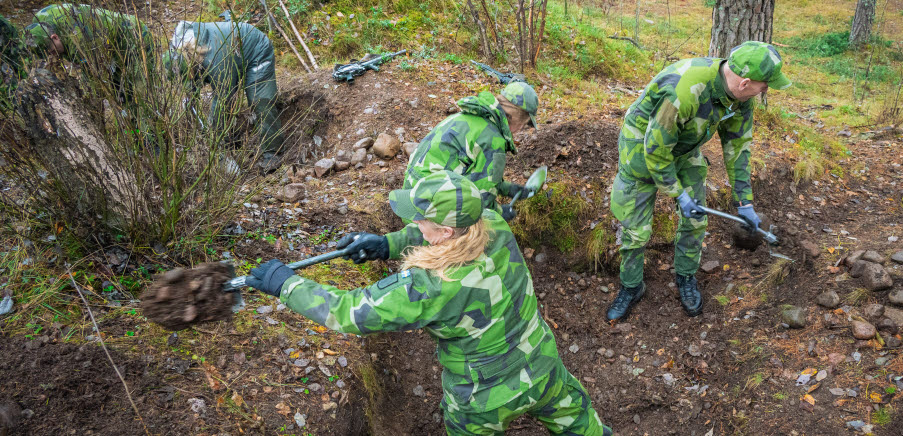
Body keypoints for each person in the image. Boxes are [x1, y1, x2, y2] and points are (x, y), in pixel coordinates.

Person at [245, 171, 611, 436]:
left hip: (483, 400)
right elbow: (445, 229)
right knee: (582, 425)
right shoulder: (493, 224)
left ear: (446, 232)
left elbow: (349, 311)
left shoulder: (431, 283)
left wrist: (287, 284)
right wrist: (386, 243)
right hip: (544, 366)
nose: (415, 223)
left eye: (421, 219)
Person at [607, 41, 791, 321]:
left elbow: (738, 148)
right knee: (636, 230)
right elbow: (655, 150)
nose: (766, 90)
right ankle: (631, 287)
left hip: (685, 147)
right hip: (642, 149)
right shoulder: (684, 91)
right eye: (765, 85)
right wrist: (678, 194)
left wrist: (744, 203)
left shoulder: (740, 98)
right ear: (744, 82)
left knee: (695, 219)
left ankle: (685, 277)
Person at [404, 81, 539, 221]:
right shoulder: (494, 141)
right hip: (426, 214)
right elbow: (481, 200)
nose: (519, 131)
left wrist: (507, 189)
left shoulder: (470, 116)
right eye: (523, 125)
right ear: (516, 118)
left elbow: (472, 174)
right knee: (479, 232)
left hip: (407, 200)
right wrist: (500, 212)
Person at [163, 20, 283, 172]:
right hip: (229, 56)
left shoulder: (216, 58)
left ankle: (273, 154)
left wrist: (215, 137)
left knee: (260, 101)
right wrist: (190, 99)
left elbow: (224, 96)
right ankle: (230, 141)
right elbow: (189, 79)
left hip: (255, 50)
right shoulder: (179, 52)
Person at [24, 4, 153, 107]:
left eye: (52, 51)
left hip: (134, 39)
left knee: (138, 96)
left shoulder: (81, 40)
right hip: (106, 42)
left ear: (55, 37)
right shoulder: (38, 25)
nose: (54, 56)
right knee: (119, 93)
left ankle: (145, 135)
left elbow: (96, 81)